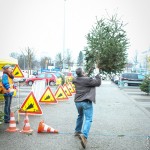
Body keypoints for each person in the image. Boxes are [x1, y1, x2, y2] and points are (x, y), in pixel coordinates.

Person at [72, 67, 101, 149]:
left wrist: (86, 73)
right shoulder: (87, 80)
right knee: (88, 119)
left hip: (77, 102)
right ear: (82, 73)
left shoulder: (75, 79)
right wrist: (97, 74)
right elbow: (98, 83)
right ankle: (84, 136)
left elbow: (83, 78)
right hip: (86, 102)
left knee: (80, 115)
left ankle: (77, 131)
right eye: (84, 72)